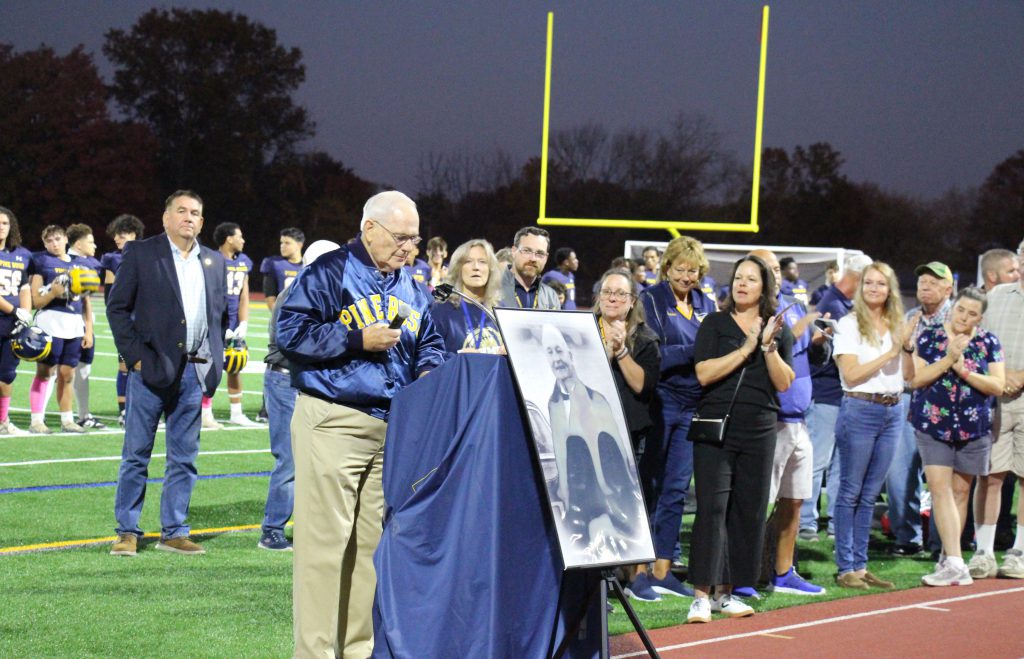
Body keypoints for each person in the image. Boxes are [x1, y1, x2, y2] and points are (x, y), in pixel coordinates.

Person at [277, 190, 445, 658]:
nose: (408, 247)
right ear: (369, 227)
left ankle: (356, 651)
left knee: (369, 553)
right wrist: (355, 339)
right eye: (401, 237)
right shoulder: (330, 271)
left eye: (414, 239)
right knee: (322, 551)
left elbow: (429, 339)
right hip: (334, 419)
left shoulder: (411, 283)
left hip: (389, 427)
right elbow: (288, 332)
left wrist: (428, 368)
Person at [107, 190, 228, 557]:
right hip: (150, 370)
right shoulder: (142, 253)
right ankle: (127, 531)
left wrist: (214, 361)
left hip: (194, 372)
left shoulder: (214, 261)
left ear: (202, 222)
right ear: (165, 218)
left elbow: (218, 316)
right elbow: (117, 308)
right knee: (136, 455)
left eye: (195, 212)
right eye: (181, 211)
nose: (188, 217)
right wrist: (136, 358)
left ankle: (174, 530)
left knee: (184, 458)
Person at [686, 255, 795, 623]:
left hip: (760, 428)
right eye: (737, 278)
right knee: (712, 509)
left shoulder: (779, 328)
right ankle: (701, 594)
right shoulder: (714, 323)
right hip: (717, 425)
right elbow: (703, 373)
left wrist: (767, 347)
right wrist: (746, 348)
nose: (742, 284)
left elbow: (783, 383)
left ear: (765, 286)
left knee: (747, 511)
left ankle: (726, 593)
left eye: (751, 278)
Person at [629, 237, 716, 602]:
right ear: (667, 268)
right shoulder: (651, 299)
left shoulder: (706, 303)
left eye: (692, 270)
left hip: (693, 401)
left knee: (677, 488)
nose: (685, 275)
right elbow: (654, 354)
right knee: (648, 483)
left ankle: (664, 569)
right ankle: (637, 571)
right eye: (679, 269)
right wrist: (694, 350)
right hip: (661, 399)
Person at [906, 288, 1004, 586]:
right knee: (939, 490)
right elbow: (915, 379)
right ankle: (956, 562)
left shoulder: (988, 341)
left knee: (960, 493)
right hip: (933, 424)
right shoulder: (931, 336)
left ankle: (950, 557)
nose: (964, 317)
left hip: (973, 428)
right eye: (961, 309)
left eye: (972, 313)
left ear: (980, 317)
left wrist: (965, 373)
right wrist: (949, 359)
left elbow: (998, 385)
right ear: (953, 307)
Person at [831, 261, 916, 589]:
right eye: (869, 284)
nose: (874, 289)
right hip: (860, 408)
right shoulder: (848, 324)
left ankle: (861, 565)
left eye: (881, 284)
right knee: (851, 490)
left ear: (890, 289)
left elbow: (909, 375)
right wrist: (890, 352)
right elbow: (851, 374)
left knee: (869, 494)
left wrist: (905, 348)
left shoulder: (899, 323)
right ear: (860, 288)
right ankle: (845, 568)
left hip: (893, 410)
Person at [749, 249, 825, 596]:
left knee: (794, 499)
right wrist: (799, 327)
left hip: (799, 419)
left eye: (777, 268)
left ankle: (782, 572)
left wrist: (820, 343)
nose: (774, 274)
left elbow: (808, 362)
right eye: (767, 268)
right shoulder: (750, 310)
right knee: (758, 501)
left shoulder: (794, 306)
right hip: (769, 419)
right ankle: (745, 573)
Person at [259, 239, 341, 552]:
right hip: (287, 381)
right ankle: (272, 530)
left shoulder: (315, 293)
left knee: (317, 459)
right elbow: (300, 344)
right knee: (290, 459)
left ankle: (309, 527)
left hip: (304, 381)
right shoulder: (297, 295)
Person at [542, 323, 642, 558]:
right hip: (576, 501)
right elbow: (559, 451)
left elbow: (616, 451)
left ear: (570, 354)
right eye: (551, 353)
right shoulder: (553, 403)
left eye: (559, 351)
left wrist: (610, 493)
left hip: (608, 496)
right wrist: (565, 493)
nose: (557, 359)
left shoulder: (596, 399)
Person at [592, 269, 662, 579]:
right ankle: (594, 577)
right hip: (586, 429)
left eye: (620, 293)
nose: (612, 298)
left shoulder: (645, 339)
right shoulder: (584, 331)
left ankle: (624, 575)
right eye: (607, 291)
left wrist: (620, 352)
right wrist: (602, 352)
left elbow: (642, 386)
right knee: (592, 505)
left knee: (622, 505)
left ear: (632, 301)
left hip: (627, 434)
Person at [799, 254, 872, 541]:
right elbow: (824, 357)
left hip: (839, 394)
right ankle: (806, 521)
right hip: (826, 392)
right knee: (818, 460)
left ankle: (833, 521)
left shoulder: (842, 303)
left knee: (840, 462)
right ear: (857, 277)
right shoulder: (832, 305)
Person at [886, 261, 954, 557]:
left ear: (948, 289)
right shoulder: (910, 317)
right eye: (923, 281)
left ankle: (942, 542)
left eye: (934, 282)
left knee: (942, 480)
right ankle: (907, 536)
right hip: (907, 400)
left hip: (944, 403)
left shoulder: (958, 318)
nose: (925, 286)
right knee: (898, 474)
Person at [972, 251, 1024, 580]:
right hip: (995, 399)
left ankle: (1019, 551)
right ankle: (984, 551)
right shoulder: (997, 296)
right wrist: (998, 376)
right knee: (990, 476)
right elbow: (978, 344)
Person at [29, 225, 93, 434]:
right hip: (50, 322)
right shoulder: (41, 262)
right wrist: (53, 293)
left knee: (67, 374)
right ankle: (37, 420)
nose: (54, 244)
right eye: (49, 241)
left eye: (57, 239)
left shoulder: (79, 265)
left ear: (66, 239)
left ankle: (67, 420)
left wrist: (88, 330)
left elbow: (86, 302)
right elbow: (36, 301)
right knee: (46, 372)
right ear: (44, 243)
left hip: (73, 325)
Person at [200, 222, 259, 429]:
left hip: (234, 322)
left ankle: (236, 412)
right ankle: (205, 412)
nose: (243, 240)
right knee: (210, 368)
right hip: (215, 323)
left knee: (236, 365)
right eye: (239, 236)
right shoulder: (211, 260)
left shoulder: (244, 262)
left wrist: (243, 322)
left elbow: (244, 294)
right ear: (229, 238)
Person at [101, 214, 146, 427]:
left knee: (148, 365)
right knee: (125, 366)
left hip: (146, 319)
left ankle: (143, 408)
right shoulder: (112, 258)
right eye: (116, 235)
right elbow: (110, 296)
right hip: (127, 321)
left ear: (135, 234)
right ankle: (124, 411)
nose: (117, 239)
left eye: (123, 234)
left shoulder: (148, 255)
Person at [430, 238, 504, 357]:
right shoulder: (441, 311)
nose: (476, 267)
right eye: (468, 261)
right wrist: (461, 358)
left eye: (482, 261)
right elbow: (430, 358)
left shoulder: (501, 310)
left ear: (491, 269)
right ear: (458, 268)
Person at [66, 223, 105, 429]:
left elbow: (87, 300)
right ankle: (47, 417)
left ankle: (83, 415)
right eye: (90, 242)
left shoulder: (93, 264)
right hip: (61, 323)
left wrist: (88, 328)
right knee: (55, 372)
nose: (95, 245)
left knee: (83, 370)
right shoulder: (61, 262)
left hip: (83, 323)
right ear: (79, 244)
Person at [0, 206, 34, 435]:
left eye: (4, 223)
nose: (0, 227)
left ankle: (2, 421)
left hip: (11, 323)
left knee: (7, 373)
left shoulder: (22, 254)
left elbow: (24, 286)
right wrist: (15, 310)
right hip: (9, 314)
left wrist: (26, 312)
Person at [497, 227, 560, 309]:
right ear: (513, 251)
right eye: (526, 251)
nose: (533, 258)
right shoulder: (492, 290)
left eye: (540, 253)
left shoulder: (551, 296)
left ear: (546, 258)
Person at [261, 227, 305, 312]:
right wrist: (280, 318)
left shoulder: (307, 265)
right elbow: (270, 296)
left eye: (287, 243)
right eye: (281, 243)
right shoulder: (274, 264)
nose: (282, 246)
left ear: (299, 245)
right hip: (283, 316)